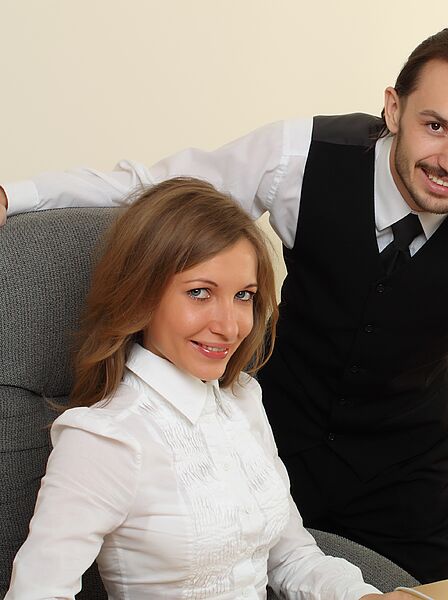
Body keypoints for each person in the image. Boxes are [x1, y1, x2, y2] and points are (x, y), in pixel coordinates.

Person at [1, 26, 448, 600]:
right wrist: (16, 196)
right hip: (275, 443)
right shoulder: (299, 155)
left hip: (402, 479)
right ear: (393, 108)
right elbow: (157, 192)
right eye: (435, 126)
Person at [3, 178, 410, 600]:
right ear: (141, 293)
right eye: (199, 293)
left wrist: (365, 597)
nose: (229, 326)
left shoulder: (243, 400)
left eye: (244, 296)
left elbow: (291, 557)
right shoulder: (105, 438)